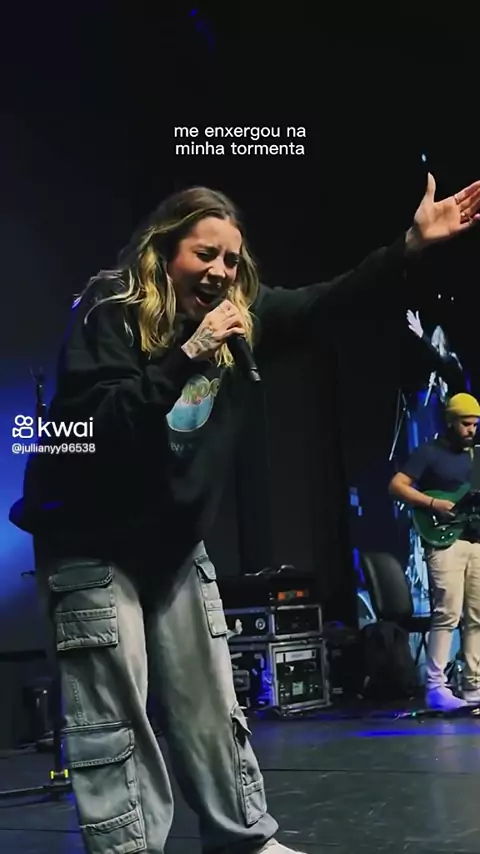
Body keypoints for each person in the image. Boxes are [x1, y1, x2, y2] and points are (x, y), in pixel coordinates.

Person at [10, 176, 480, 854]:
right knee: (115, 716)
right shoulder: (109, 313)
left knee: (210, 704)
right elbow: (98, 424)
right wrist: (187, 355)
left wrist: (408, 247)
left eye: (230, 259)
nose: (220, 271)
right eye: (204, 254)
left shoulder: (241, 318)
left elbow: (327, 302)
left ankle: (243, 839)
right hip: (90, 538)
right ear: (164, 252)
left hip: (172, 540)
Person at [389, 393, 480, 712]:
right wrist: (433, 503)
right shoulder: (429, 452)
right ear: (451, 421)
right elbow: (397, 485)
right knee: (447, 613)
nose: (471, 430)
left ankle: (473, 684)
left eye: (475, 425)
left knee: (477, 615)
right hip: (443, 540)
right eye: (466, 424)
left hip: (474, 539)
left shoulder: (476, 456)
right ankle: (436, 686)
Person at [406, 309, 465, 400]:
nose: (433, 350)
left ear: (444, 343)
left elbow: (440, 359)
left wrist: (422, 335)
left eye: (436, 346)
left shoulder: (452, 360)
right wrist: (436, 387)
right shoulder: (439, 371)